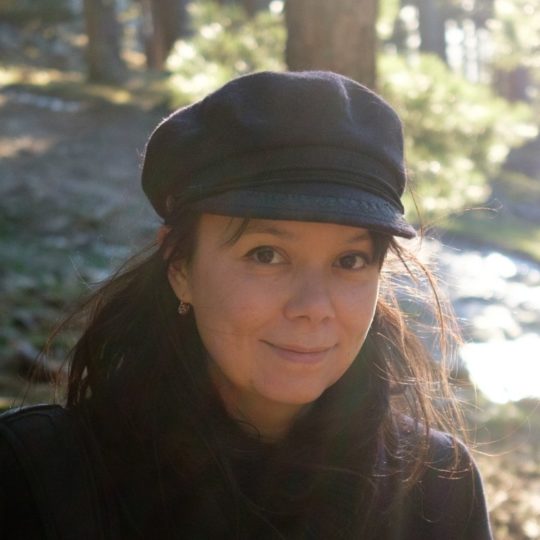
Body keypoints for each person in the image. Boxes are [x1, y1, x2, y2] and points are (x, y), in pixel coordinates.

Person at [0, 71, 492, 539]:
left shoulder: (437, 491)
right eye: (267, 255)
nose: (313, 307)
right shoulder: (35, 478)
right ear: (179, 265)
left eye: (350, 260)